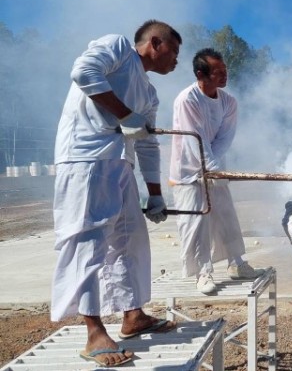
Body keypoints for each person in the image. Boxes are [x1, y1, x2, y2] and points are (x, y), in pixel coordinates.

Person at [51, 20, 181, 367]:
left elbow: (149, 144)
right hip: (85, 158)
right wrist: (124, 114)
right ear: (155, 43)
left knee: (128, 239)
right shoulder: (119, 48)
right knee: (89, 240)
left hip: (119, 163)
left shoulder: (150, 94)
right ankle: (94, 332)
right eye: (174, 51)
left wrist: (155, 194)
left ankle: (132, 315)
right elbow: (83, 72)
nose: (177, 61)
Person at [170, 48, 264, 295]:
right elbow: (193, 138)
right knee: (195, 222)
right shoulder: (187, 100)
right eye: (218, 72)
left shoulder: (229, 102)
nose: (224, 76)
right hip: (187, 170)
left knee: (225, 214)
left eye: (225, 71)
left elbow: (224, 138)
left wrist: (215, 169)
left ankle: (237, 263)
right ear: (201, 74)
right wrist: (208, 168)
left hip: (214, 164)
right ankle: (202, 273)